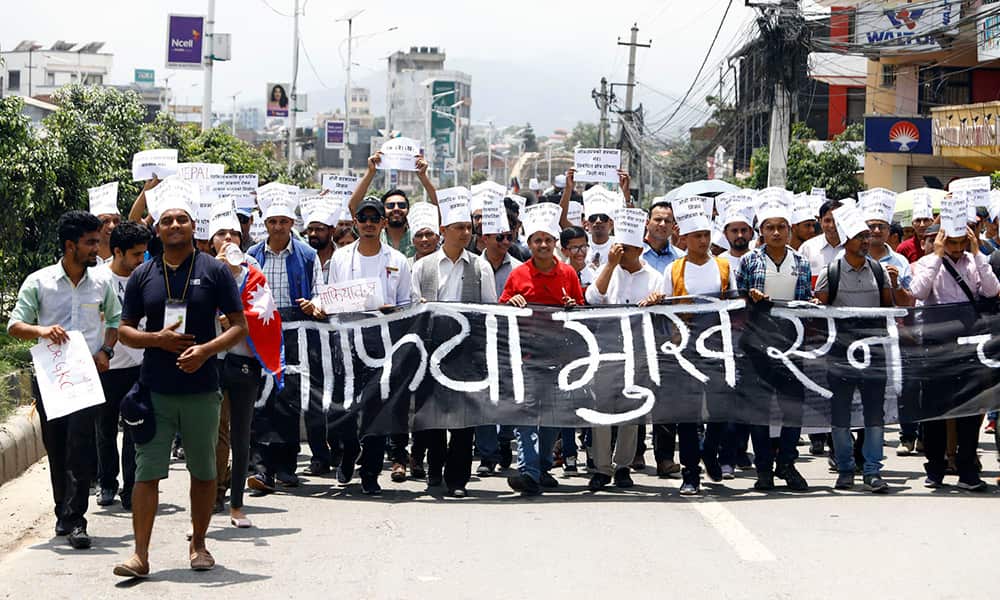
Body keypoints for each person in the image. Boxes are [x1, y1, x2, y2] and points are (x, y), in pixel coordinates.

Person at [114, 199, 247, 578]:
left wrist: (205, 351)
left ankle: (199, 544)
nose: (175, 225)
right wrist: (155, 339)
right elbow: (124, 329)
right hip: (154, 389)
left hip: (202, 389)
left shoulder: (216, 271)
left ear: (194, 227)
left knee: (203, 471)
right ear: (157, 229)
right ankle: (140, 554)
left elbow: (239, 326)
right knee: (147, 472)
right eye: (167, 220)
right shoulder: (143, 274)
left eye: (182, 220)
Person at [7, 211, 121, 550]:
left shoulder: (102, 282)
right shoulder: (38, 282)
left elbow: (114, 320)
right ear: (70, 245)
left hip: (86, 378)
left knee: (80, 445)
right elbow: (15, 325)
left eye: (98, 242)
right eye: (90, 243)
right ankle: (63, 512)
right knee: (56, 445)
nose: (97, 249)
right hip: (51, 378)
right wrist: (42, 330)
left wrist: (106, 351)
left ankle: (76, 520)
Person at [644, 198, 737, 496]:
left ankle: (710, 450)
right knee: (688, 414)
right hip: (685, 349)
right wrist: (655, 302)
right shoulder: (673, 269)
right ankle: (691, 473)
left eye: (707, 235)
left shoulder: (723, 267)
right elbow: (667, 308)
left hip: (716, 347)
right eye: (697, 236)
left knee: (721, 408)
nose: (703, 241)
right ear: (683, 238)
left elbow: (733, 306)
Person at [325, 197, 414, 495]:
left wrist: (391, 311)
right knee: (341, 411)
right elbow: (333, 300)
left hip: (382, 345)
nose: (369, 223)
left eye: (375, 218)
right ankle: (349, 451)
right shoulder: (339, 259)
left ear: (383, 223)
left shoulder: (398, 261)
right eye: (363, 218)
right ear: (356, 222)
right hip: (346, 345)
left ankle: (371, 472)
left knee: (377, 411)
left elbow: (406, 306)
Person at [410, 199, 497, 497]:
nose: (465, 233)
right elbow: (412, 306)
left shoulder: (480, 266)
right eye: (459, 227)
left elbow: (489, 309)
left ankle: (458, 477)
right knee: (433, 415)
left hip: (467, 350)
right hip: (431, 349)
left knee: (463, 417)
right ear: (443, 230)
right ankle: (435, 470)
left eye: (468, 228)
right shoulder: (423, 267)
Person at [500, 205, 584, 496]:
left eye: (548, 239)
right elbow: (501, 307)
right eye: (537, 240)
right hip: (526, 357)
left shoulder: (569, 274)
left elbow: (582, 310)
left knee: (551, 418)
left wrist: (572, 308)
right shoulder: (518, 274)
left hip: (559, 358)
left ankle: (544, 467)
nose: (543, 245)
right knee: (526, 415)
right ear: (530, 243)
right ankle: (529, 470)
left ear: (555, 243)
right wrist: (511, 303)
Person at [911, 224, 1000, 491]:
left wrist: (977, 254)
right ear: (941, 240)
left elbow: (992, 289)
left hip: (969, 346)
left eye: (962, 242)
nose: (957, 248)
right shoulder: (927, 262)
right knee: (936, 409)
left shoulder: (975, 261)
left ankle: (967, 468)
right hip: (936, 347)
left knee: (972, 409)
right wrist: (938, 256)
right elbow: (919, 291)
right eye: (952, 243)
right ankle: (935, 467)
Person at [207, 210, 280, 528]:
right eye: (221, 234)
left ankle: (237, 504)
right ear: (210, 242)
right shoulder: (204, 271)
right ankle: (213, 495)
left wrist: (238, 322)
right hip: (212, 361)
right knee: (214, 433)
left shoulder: (253, 273)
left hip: (244, 363)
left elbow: (266, 315)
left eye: (233, 234)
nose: (228, 240)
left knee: (240, 434)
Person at [246, 192, 323, 491]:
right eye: (273, 222)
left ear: (292, 223)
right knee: (261, 401)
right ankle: (262, 468)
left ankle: (287, 466)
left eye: (283, 222)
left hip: (296, 338)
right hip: (260, 336)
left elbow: (320, 291)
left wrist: (313, 304)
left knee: (289, 399)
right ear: (265, 223)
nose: (278, 227)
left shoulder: (307, 255)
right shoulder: (253, 255)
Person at [814, 206, 894, 494]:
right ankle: (846, 468)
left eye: (867, 235)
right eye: (860, 236)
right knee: (841, 413)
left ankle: (872, 470)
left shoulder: (879, 270)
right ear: (847, 239)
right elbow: (819, 311)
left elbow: (889, 307)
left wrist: (894, 285)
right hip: (840, 354)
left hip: (873, 352)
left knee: (875, 413)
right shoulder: (830, 273)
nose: (867, 240)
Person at [736, 207, 812, 492]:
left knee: (793, 407)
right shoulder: (748, 261)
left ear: (789, 230)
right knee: (760, 411)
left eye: (782, 227)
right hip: (756, 346)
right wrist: (750, 297)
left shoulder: (801, 262)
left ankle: (787, 463)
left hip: (791, 347)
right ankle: (764, 469)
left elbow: (804, 301)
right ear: (762, 231)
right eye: (770, 227)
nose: (777, 232)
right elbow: (737, 300)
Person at [584, 236, 662, 490]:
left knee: (631, 410)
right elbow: (593, 298)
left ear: (639, 249)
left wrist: (656, 302)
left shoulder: (654, 278)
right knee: (602, 410)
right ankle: (601, 467)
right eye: (618, 246)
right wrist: (609, 265)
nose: (619, 251)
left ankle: (623, 466)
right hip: (607, 350)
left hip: (638, 350)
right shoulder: (609, 270)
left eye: (625, 248)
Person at [95, 222, 152, 511]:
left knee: (133, 429)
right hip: (105, 367)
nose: (141, 261)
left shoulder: (145, 278)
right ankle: (107, 482)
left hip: (138, 366)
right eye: (136, 255)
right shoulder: (97, 279)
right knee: (105, 429)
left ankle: (131, 488)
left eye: (144, 254)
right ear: (117, 251)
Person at [474, 204, 523, 475]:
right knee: (482, 397)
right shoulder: (471, 266)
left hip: (509, 341)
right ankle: (487, 453)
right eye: (499, 237)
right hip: (479, 341)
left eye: (509, 237)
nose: (506, 242)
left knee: (507, 395)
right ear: (484, 238)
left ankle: (505, 440)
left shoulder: (519, 268)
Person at [639, 198, 686, 476]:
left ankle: (665, 457)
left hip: (669, 336)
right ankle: (633, 454)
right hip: (636, 334)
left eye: (667, 220)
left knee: (666, 397)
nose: (662, 224)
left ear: (673, 226)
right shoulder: (634, 255)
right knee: (635, 391)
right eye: (657, 219)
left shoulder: (680, 259)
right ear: (648, 222)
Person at [348, 152, 438, 258]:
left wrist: (422, 176)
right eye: (390, 206)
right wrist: (371, 172)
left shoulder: (418, 235)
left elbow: (440, 209)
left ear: (408, 211)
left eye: (401, 205)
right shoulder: (374, 233)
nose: (396, 209)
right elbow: (353, 206)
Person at [799, 199, 844, 285]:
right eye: (827, 221)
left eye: (836, 220)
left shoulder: (853, 247)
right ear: (820, 221)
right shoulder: (807, 248)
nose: (832, 225)